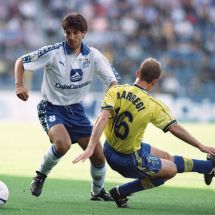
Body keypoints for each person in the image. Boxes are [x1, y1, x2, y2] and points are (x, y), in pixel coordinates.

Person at [73, 57, 215, 208]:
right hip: (129, 159)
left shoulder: (115, 90)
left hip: (109, 149)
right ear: (155, 82)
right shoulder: (153, 105)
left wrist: (91, 147)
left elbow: (102, 118)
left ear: (137, 73)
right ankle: (121, 192)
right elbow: (174, 128)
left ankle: (208, 167)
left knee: (167, 158)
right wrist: (200, 145)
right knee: (170, 170)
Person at [14, 12, 118, 200]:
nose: (71, 37)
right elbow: (21, 61)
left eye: (75, 32)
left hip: (76, 110)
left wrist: (112, 102)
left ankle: (97, 192)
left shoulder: (93, 56)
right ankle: (40, 176)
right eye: (67, 32)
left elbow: (112, 82)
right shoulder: (53, 52)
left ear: (84, 33)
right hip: (51, 107)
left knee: (98, 155)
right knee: (63, 144)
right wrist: (19, 85)